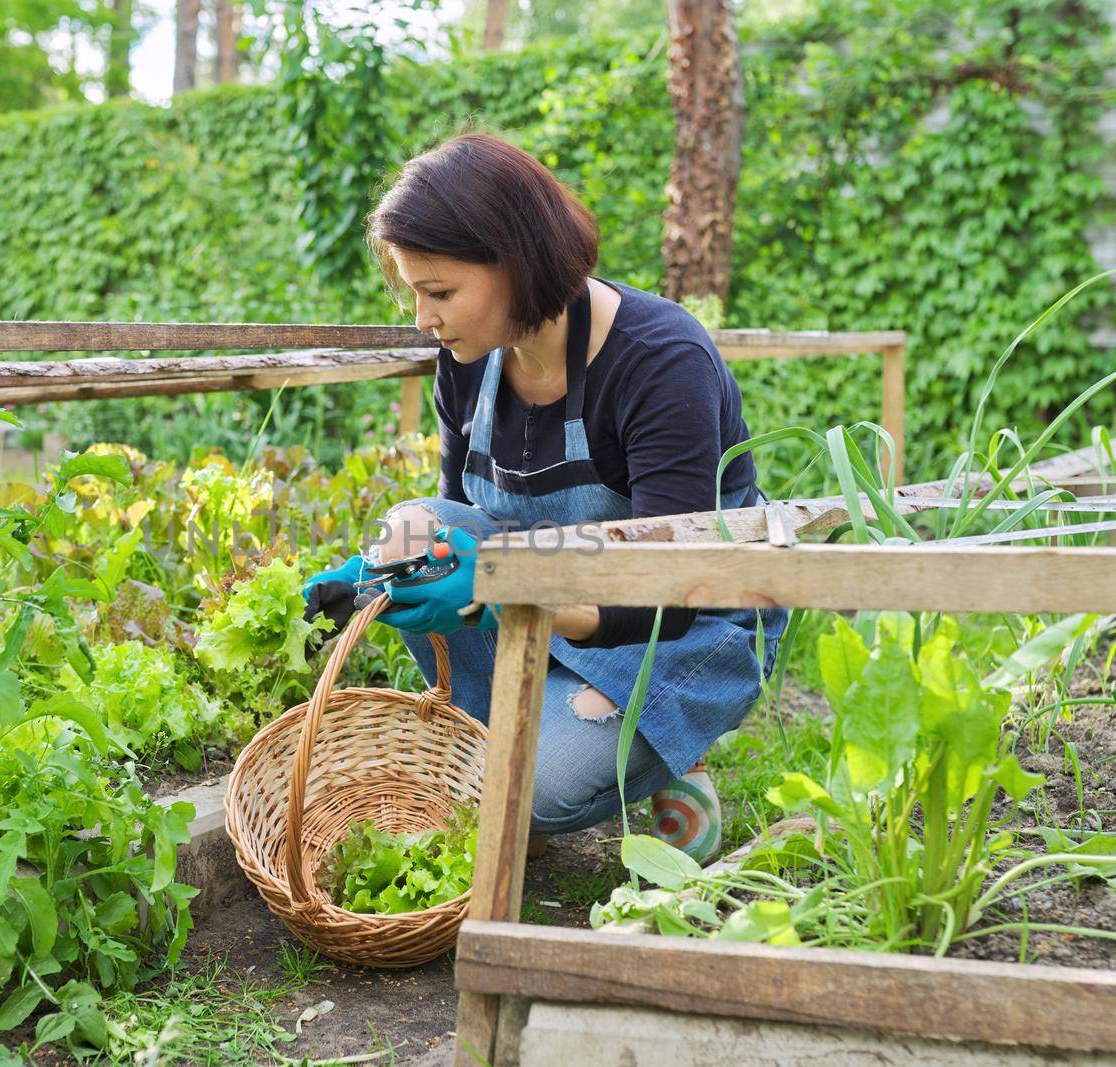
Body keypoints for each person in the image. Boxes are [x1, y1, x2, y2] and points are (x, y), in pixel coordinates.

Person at [303, 131, 788, 863]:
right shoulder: (466, 363)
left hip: (684, 624)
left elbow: (669, 593)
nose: (421, 319)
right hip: (558, 608)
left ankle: (663, 750)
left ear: (517, 262)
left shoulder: (661, 362)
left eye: (438, 292)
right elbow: (448, 521)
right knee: (410, 529)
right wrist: (376, 572)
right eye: (412, 292)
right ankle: (531, 737)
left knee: (523, 790)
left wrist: (500, 589)